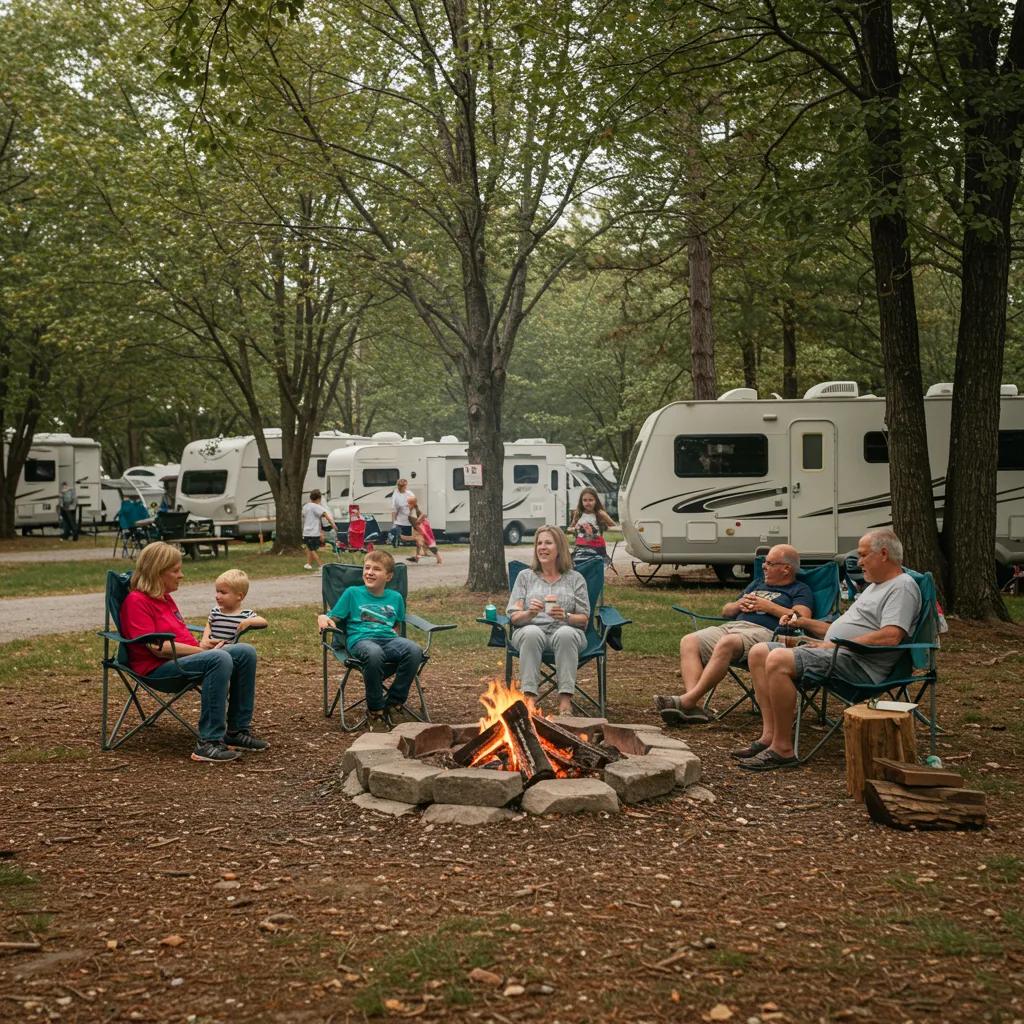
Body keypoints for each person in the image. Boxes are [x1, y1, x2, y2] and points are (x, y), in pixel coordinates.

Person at [733, 528, 922, 772]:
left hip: (859, 664)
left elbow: (891, 635)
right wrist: (803, 623)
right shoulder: (875, 587)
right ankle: (769, 736)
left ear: (883, 554)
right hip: (836, 652)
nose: (859, 562)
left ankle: (782, 749)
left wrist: (834, 644)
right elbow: (838, 628)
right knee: (759, 651)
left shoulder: (901, 587)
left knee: (778, 659)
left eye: (864, 555)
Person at [119, 542, 268, 763]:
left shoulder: (164, 598)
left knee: (245, 652)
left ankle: (236, 732)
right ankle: (208, 743)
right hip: (158, 670)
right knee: (220, 658)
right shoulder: (137, 601)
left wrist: (204, 645)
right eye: (176, 570)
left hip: (185, 660)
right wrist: (200, 651)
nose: (181, 575)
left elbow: (178, 637)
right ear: (158, 571)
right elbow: (158, 648)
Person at [655, 544, 813, 725]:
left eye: (769, 563)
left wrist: (767, 606)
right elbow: (726, 611)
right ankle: (692, 706)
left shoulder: (800, 589)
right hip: (734, 626)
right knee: (689, 640)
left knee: (727, 643)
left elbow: (801, 618)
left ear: (786, 569)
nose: (764, 567)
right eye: (764, 563)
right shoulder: (757, 584)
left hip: (766, 634)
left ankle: (687, 701)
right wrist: (739, 605)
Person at [316, 549, 422, 731]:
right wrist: (323, 618)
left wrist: (393, 640)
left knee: (414, 650)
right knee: (374, 653)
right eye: (367, 568)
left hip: (388, 640)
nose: (370, 572)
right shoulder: (352, 593)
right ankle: (375, 710)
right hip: (360, 640)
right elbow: (334, 616)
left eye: (377, 569)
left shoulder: (396, 598)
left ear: (388, 576)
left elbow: (396, 624)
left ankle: (394, 703)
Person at [506, 525, 590, 716]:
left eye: (548, 543)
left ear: (559, 548)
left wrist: (566, 616)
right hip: (531, 632)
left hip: (567, 632)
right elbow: (514, 617)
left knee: (565, 633)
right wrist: (529, 614)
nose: (542, 547)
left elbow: (584, 619)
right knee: (532, 633)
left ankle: (565, 702)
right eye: (539, 543)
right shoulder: (525, 577)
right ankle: (529, 701)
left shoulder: (575, 579)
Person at [202, 569, 269, 646]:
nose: (217, 596)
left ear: (239, 596)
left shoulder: (245, 614)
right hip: (211, 647)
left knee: (244, 648)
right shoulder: (215, 611)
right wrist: (205, 639)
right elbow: (209, 625)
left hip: (229, 648)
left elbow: (264, 622)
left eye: (223, 592)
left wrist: (249, 622)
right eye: (217, 591)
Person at [568, 487, 615, 567]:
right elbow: (571, 527)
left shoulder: (600, 513)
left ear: (596, 501)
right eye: (585, 500)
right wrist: (574, 529)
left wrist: (603, 527)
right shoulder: (578, 513)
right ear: (581, 501)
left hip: (595, 547)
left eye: (591, 500)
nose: (588, 503)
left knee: (594, 566)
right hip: (581, 547)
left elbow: (613, 525)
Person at [301, 489, 335, 571]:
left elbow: (304, 515)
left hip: (307, 532)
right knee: (310, 549)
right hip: (314, 532)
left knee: (310, 548)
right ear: (319, 498)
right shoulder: (317, 507)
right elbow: (325, 514)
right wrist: (333, 524)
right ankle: (313, 564)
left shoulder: (306, 506)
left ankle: (316, 565)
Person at [406, 495, 443, 565]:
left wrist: (421, 532)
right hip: (421, 528)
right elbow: (423, 515)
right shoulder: (414, 510)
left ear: (413, 504)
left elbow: (421, 518)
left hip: (421, 529)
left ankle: (439, 559)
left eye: (408, 503)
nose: (407, 504)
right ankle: (417, 558)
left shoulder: (413, 513)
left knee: (428, 543)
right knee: (419, 544)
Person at [389, 478, 415, 547]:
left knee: (406, 541)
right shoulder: (395, 494)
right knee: (400, 536)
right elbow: (394, 509)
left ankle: (399, 539)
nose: (406, 487)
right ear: (400, 486)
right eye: (404, 486)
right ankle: (396, 539)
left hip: (408, 520)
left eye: (406, 486)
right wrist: (393, 523)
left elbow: (414, 504)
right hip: (399, 521)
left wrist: (410, 507)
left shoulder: (410, 494)